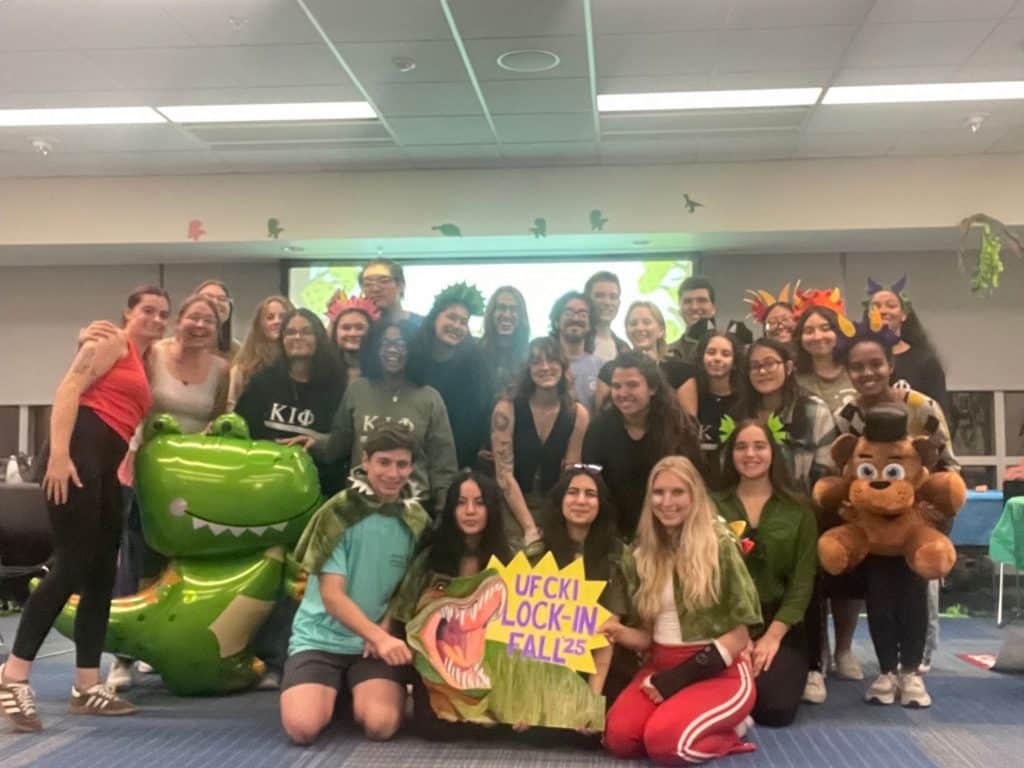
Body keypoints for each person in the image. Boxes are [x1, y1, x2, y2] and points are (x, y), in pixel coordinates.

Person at [0, 286, 171, 731]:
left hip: (106, 469)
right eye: (147, 310)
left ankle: (87, 686)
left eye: (162, 313)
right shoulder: (110, 340)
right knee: (71, 566)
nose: (155, 318)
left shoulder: (143, 356)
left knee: (99, 576)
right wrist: (58, 455)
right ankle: (12, 676)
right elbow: (69, 387)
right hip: (76, 456)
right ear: (128, 313)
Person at [603, 456, 762, 765]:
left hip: (719, 672)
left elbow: (741, 632)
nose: (667, 502)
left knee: (665, 746)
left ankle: (733, 728)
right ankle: (683, 718)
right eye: (658, 493)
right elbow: (647, 639)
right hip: (660, 668)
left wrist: (677, 680)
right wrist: (616, 632)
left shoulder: (719, 544)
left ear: (694, 496)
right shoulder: (641, 554)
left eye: (678, 492)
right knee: (619, 739)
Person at [831, 319, 958, 704]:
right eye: (857, 367)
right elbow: (842, 471)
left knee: (914, 598)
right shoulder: (847, 415)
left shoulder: (922, 408)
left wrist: (935, 517)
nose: (867, 373)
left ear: (890, 365)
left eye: (876, 364)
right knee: (879, 599)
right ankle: (886, 672)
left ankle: (912, 673)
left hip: (916, 526)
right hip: (873, 528)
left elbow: (948, 466)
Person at [107, 293, 230, 690]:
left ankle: (162, 648)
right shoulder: (153, 354)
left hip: (190, 480)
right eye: (193, 317)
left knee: (175, 565)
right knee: (136, 558)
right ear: (179, 320)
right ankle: (123, 657)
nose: (199, 326)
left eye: (208, 322)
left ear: (217, 330)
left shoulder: (222, 369)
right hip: (145, 470)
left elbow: (216, 420)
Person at [281, 423, 431, 745]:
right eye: (384, 462)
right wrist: (377, 635)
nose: (393, 473)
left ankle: (351, 694)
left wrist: (386, 628)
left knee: (382, 726)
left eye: (402, 464)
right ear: (366, 461)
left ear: (412, 467)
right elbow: (332, 596)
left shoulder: (416, 521)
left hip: (372, 647)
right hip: (320, 640)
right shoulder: (338, 514)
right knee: (302, 729)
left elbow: (406, 590)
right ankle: (330, 693)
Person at [389, 470, 513, 740]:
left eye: (479, 503)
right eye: (461, 502)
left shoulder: (511, 559)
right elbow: (403, 612)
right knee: (434, 730)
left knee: (501, 729)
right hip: (435, 665)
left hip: (491, 665)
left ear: (491, 509)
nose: (470, 511)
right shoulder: (431, 556)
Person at [713, 420, 817, 726]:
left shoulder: (799, 511)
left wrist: (772, 637)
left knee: (775, 710)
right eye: (741, 447)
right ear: (730, 454)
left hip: (779, 625)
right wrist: (736, 635)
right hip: (723, 623)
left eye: (759, 446)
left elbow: (802, 582)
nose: (750, 454)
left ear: (773, 452)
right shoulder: (710, 505)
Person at [310, 319, 457, 514]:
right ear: (374, 348)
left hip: (413, 511)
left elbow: (444, 468)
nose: (392, 350)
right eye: (385, 344)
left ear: (413, 349)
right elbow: (338, 445)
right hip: (359, 508)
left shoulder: (429, 398)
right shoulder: (357, 391)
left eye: (401, 344)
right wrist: (313, 442)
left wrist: (441, 516)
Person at [537, 466, 637, 702]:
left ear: (601, 503)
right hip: (550, 663)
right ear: (560, 500)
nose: (581, 500)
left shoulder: (617, 555)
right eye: (572, 492)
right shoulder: (537, 554)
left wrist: (590, 702)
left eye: (590, 494)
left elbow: (608, 632)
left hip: (603, 662)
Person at [582, 352, 701, 538]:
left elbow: (694, 485)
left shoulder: (680, 426)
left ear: (652, 388)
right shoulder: (599, 429)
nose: (622, 393)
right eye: (616, 386)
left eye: (632, 385)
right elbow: (592, 484)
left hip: (671, 529)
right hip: (614, 533)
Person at [234, 308, 348, 496]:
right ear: (282, 340)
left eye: (306, 332)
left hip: (319, 486)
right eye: (290, 332)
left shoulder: (337, 384)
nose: (297, 337)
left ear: (319, 337)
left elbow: (342, 440)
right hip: (264, 483)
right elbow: (243, 429)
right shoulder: (263, 381)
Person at [491, 337, 589, 544]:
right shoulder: (506, 410)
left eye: (552, 361)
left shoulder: (578, 414)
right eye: (536, 362)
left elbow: (570, 474)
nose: (545, 367)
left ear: (562, 366)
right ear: (527, 369)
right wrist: (529, 528)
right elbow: (504, 475)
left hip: (554, 504)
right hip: (511, 502)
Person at [413, 283, 492, 470]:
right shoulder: (413, 358)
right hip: (412, 459)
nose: (457, 326)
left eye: (463, 322)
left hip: (457, 460)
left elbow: (477, 419)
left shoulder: (475, 366)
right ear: (435, 317)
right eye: (451, 317)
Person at [742, 338, 837, 494]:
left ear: (788, 367)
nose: (762, 371)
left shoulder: (814, 411)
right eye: (755, 366)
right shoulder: (741, 413)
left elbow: (826, 474)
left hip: (802, 507)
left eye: (770, 363)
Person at [865, 276, 949, 416]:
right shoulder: (858, 360)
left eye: (891, 306)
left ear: (903, 315)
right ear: (868, 315)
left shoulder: (925, 361)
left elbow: (941, 413)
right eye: (876, 306)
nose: (883, 311)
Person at [594, 301, 694, 410]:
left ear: (661, 330)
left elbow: (688, 422)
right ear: (627, 331)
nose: (639, 328)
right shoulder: (609, 371)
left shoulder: (682, 372)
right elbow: (601, 415)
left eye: (646, 322)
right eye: (633, 323)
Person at [677, 331, 745, 458]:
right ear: (702, 358)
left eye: (725, 354)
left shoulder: (744, 397)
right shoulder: (690, 390)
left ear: (735, 362)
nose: (717, 358)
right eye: (711, 352)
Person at [228, 295, 294, 410]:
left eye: (283, 317)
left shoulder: (301, 364)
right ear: (260, 325)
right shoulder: (242, 369)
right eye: (270, 317)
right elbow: (231, 409)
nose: (277, 321)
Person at [794, 304, 857, 413]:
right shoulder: (793, 379)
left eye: (825, 329)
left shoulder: (856, 369)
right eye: (809, 331)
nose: (818, 337)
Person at [549, 291, 602, 413]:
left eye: (583, 314)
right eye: (568, 313)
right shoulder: (544, 365)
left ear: (589, 325)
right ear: (556, 322)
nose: (575, 318)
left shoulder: (600, 366)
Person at [479, 285, 530, 400]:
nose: (507, 315)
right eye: (501, 308)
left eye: (513, 309)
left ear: (521, 316)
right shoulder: (475, 354)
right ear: (492, 313)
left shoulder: (530, 356)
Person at [328, 294, 379, 383]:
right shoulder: (324, 370)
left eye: (360, 328)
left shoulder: (384, 370)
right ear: (335, 333)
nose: (353, 333)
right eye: (346, 328)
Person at [665, 276, 717, 365]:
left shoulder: (732, 349)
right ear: (680, 309)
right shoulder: (668, 354)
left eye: (702, 300)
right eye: (688, 301)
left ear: (713, 309)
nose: (694, 307)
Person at [359, 258, 422, 327]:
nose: (375, 289)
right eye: (368, 284)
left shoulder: (423, 326)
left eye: (384, 281)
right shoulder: (358, 328)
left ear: (400, 285)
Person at [584, 271, 630, 364]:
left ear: (619, 303)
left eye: (613, 297)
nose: (607, 302)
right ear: (586, 300)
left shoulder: (624, 348)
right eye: (600, 296)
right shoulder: (573, 341)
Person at [195, 279, 241, 363]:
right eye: (208, 297)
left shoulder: (237, 351)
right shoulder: (169, 347)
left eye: (222, 299)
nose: (215, 302)